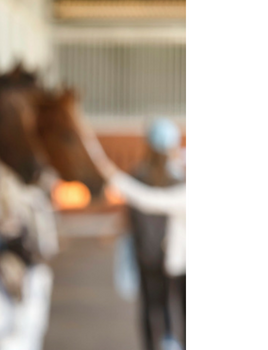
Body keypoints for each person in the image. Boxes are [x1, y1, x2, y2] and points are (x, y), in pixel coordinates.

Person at [86, 118, 186, 350]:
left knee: (152, 306)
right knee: (178, 307)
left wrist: (113, 175)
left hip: (149, 253)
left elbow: (141, 203)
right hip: (171, 256)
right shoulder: (179, 178)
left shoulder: (139, 176)